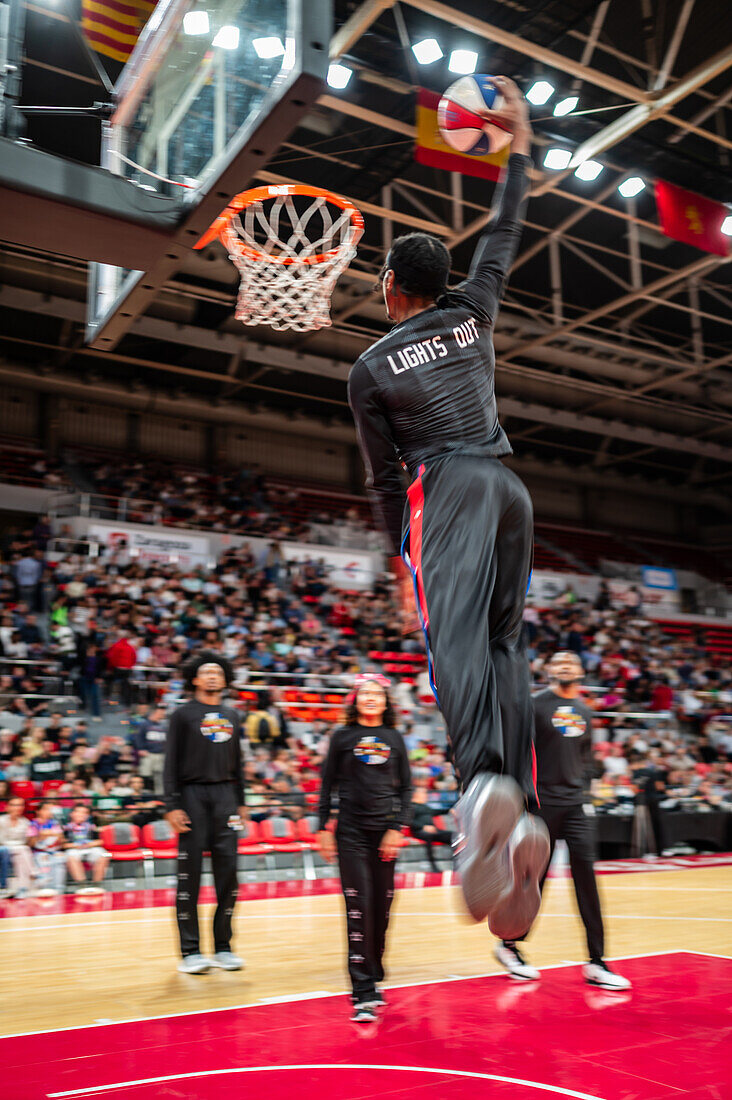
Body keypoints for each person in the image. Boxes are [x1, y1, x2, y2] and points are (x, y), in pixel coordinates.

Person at [347, 76, 548, 930]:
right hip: (511, 489)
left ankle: (480, 794)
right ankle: (523, 813)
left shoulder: (371, 367)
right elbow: (504, 233)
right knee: (505, 647)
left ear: (392, 284)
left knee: (453, 641)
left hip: (453, 489)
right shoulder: (475, 309)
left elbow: (384, 478)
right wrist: (520, 153)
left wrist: (403, 555)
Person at [494, 652, 631, 990]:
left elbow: (586, 759)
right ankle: (510, 946)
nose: (565, 665)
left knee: (587, 881)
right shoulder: (535, 706)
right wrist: (523, 800)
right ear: (549, 670)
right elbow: (517, 752)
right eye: (558, 662)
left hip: (576, 806)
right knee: (533, 882)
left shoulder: (585, 711)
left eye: (571, 662)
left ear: (581, 671)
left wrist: (586, 791)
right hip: (541, 805)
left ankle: (597, 961)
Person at [317, 674, 411, 1022]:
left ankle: (374, 971)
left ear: (386, 703)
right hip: (351, 834)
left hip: (383, 835)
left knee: (382, 907)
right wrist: (323, 827)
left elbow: (406, 791)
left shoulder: (394, 738)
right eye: (365, 693)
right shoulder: (341, 737)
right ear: (355, 700)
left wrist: (395, 828)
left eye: (377, 693)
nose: (371, 697)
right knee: (358, 906)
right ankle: (362, 992)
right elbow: (327, 786)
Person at [163, 651, 245, 975]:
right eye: (206, 672)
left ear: (225, 680)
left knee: (229, 877)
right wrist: (171, 805)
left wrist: (241, 802)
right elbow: (170, 762)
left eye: (218, 672)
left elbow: (238, 763)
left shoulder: (233, 715)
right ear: (194, 679)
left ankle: (223, 947)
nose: (212, 676)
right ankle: (190, 951)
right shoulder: (182, 715)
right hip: (192, 796)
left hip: (226, 797)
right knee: (190, 878)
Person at [63, 803, 110, 891]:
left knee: (105, 855)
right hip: (74, 849)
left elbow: (100, 841)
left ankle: (97, 885)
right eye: (78, 812)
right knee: (70, 857)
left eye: (84, 813)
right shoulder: (66, 828)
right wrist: (75, 846)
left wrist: (88, 845)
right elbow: (63, 844)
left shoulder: (91, 827)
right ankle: (82, 885)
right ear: (72, 814)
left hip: (91, 847)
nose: (81, 815)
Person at [410, 785, 452, 872]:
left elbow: (437, 811)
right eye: (423, 793)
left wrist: (449, 810)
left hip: (433, 831)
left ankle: (456, 863)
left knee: (453, 836)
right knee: (430, 836)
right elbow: (409, 821)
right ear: (415, 794)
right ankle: (433, 866)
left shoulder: (426, 807)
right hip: (419, 831)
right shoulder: (411, 807)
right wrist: (423, 827)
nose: (426, 795)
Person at [0, 796, 35, 897]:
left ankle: (22, 889)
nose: (18, 808)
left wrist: (33, 837)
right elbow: (1, 841)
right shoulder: (1, 821)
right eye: (14, 805)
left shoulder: (25, 822)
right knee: (21, 850)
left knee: (22, 857)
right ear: (8, 807)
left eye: (20, 805)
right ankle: (34, 874)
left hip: (18, 850)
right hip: (2, 848)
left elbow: (26, 842)